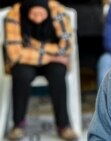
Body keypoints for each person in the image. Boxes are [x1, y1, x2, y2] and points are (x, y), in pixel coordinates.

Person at [4, 0, 77, 140]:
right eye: (33, 14)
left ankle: (63, 125)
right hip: (26, 62)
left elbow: (66, 47)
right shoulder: (14, 15)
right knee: (20, 74)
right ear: (26, 11)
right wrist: (51, 57)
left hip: (47, 61)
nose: (37, 18)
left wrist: (35, 46)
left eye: (41, 14)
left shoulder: (58, 11)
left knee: (58, 73)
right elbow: (15, 54)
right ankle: (18, 124)